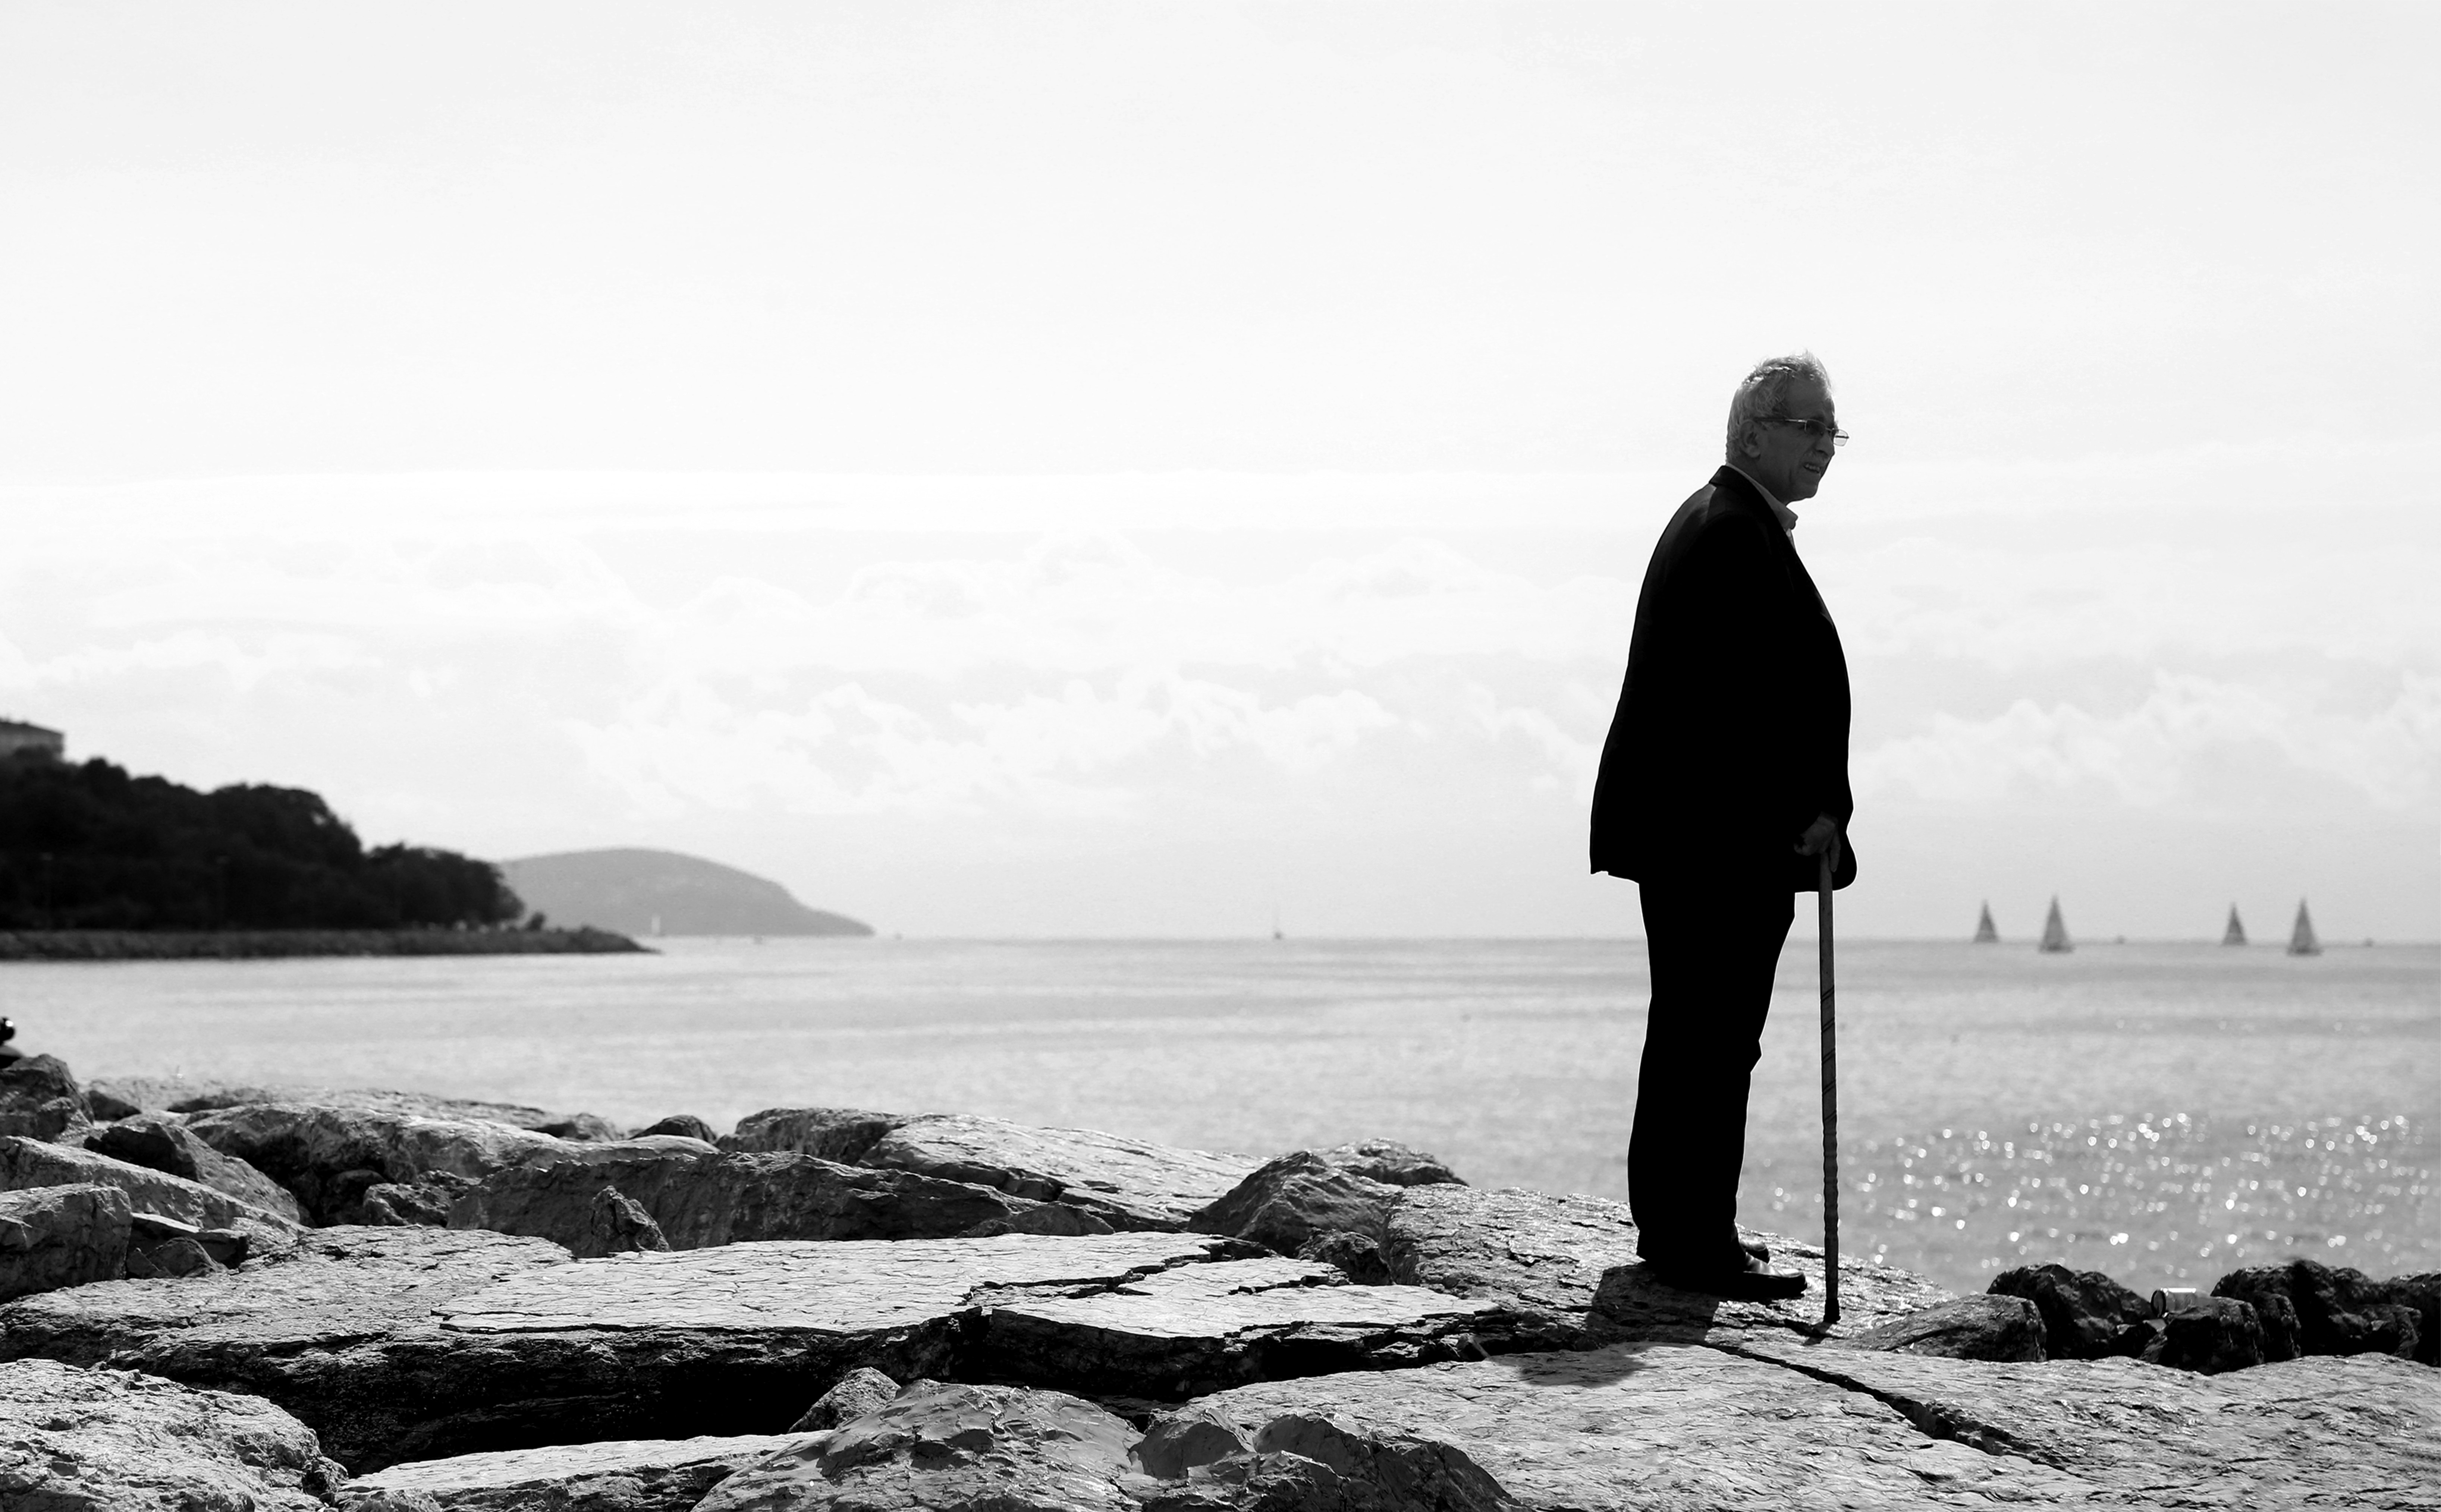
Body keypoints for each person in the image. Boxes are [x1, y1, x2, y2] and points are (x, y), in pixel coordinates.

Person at [1588, 352, 1858, 1301]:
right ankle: (1690, 1237)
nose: (1828, 445)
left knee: (1703, 1030)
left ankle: (1686, 1228)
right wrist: (1811, 811)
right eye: (1811, 427)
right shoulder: (1730, 533)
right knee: (1710, 1030)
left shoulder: (1728, 524)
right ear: (1756, 434)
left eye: (1835, 429)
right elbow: (1747, 711)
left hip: (1707, 834)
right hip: (1719, 840)